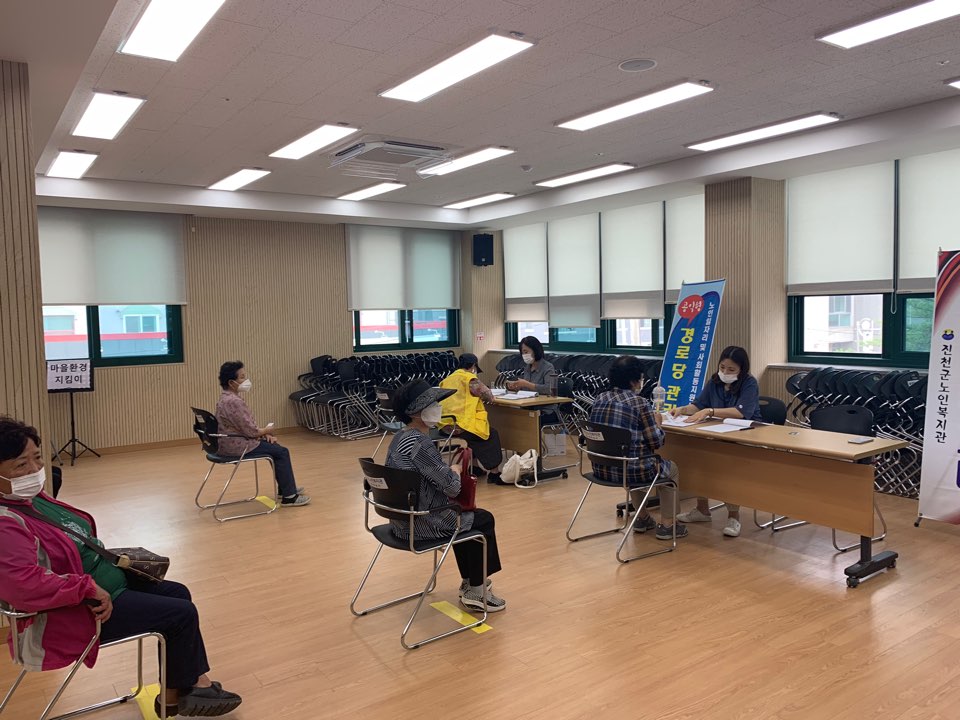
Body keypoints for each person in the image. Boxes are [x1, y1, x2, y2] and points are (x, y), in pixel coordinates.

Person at [0, 416, 242, 718]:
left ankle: (179, 692)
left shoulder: (31, 499)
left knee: (179, 593)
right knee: (181, 614)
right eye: (21, 465)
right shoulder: (6, 523)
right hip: (78, 611)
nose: (35, 470)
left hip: (98, 590)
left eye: (37, 458)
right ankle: (189, 691)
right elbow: (22, 585)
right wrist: (86, 587)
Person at [385, 380, 507, 612]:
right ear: (417, 412)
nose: (438, 407)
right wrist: (455, 470)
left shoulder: (400, 437)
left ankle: (471, 583)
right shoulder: (419, 443)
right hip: (420, 523)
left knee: (465, 518)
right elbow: (452, 488)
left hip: (400, 520)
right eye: (433, 404)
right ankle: (477, 590)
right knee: (482, 520)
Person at [589, 356, 687, 541]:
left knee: (629, 458)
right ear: (634, 381)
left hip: (601, 468)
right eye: (641, 378)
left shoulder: (599, 399)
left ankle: (642, 518)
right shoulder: (640, 403)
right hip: (632, 471)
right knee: (670, 470)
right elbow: (656, 442)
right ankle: (669, 525)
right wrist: (658, 423)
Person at [669, 345, 763, 538]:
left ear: (741, 369)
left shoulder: (749, 383)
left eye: (731, 369)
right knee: (699, 459)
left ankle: (734, 517)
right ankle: (702, 510)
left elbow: (741, 412)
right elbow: (699, 405)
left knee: (728, 467)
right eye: (722, 367)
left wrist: (710, 411)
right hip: (717, 432)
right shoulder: (714, 381)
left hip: (745, 434)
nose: (725, 372)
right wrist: (682, 409)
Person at [215, 361, 310, 507]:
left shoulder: (224, 398)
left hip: (229, 443)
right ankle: (289, 497)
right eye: (242, 377)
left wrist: (263, 435)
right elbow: (251, 431)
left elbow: (244, 428)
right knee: (281, 452)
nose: (246, 380)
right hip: (238, 446)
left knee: (275, 448)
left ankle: (286, 489)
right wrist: (267, 431)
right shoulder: (234, 401)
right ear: (231, 382)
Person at [438, 353, 505, 485]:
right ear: (473, 366)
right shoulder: (469, 379)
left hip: (445, 424)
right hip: (460, 425)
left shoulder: (447, 379)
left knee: (473, 435)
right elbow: (488, 396)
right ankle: (494, 473)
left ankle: (475, 467)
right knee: (490, 434)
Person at [505, 336, 559, 422]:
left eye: (526, 352)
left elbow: (550, 389)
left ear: (535, 350)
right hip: (528, 407)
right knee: (509, 417)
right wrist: (517, 387)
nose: (524, 355)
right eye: (522, 353)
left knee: (520, 420)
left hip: (545, 410)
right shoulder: (527, 367)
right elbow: (528, 391)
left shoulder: (548, 367)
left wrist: (526, 384)